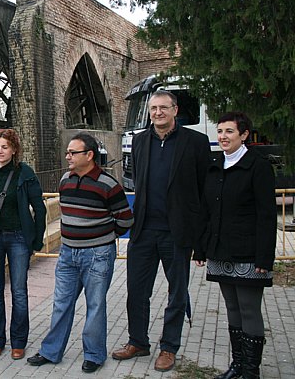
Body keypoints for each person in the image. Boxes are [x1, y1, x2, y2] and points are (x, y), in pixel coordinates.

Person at [111, 90, 211, 372]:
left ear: (175, 110)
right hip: (143, 230)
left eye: (163, 108)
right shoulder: (141, 141)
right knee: (136, 291)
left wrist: (200, 239)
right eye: (153, 108)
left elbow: (204, 192)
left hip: (176, 233)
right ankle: (138, 341)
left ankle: (169, 347)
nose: (157, 113)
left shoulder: (195, 142)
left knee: (177, 293)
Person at [27, 132, 134, 374]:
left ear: (89, 155)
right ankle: (50, 351)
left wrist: (101, 238)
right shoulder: (65, 179)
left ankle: (94, 355)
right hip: (67, 254)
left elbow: (126, 221)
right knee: (61, 304)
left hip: (97, 255)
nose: (68, 157)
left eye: (73, 152)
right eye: (67, 152)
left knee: (95, 305)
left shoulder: (108, 184)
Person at [194, 112, 276, 379]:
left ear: (244, 135)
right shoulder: (215, 165)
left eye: (229, 131)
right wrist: (201, 248)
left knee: (249, 308)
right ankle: (238, 365)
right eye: (219, 131)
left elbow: (266, 215)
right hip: (220, 250)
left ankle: (251, 372)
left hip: (249, 252)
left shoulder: (258, 166)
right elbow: (207, 210)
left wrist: (265, 258)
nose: (222, 137)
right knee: (232, 308)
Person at [0, 128, 47, 361]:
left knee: (19, 291)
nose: (0, 151)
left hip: (19, 239)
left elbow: (40, 208)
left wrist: (37, 239)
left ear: (14, 149)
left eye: (5, 147)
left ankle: (19, 342)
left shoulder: (24, 173)